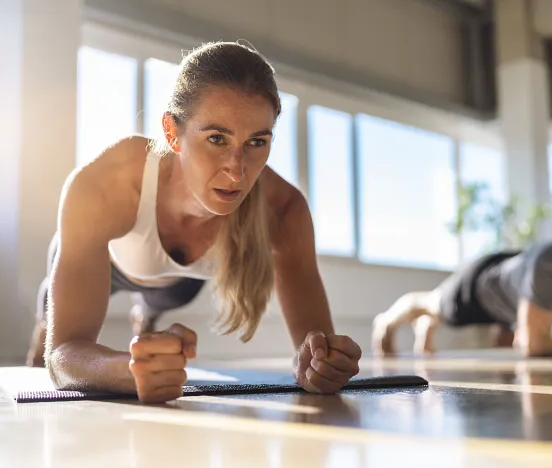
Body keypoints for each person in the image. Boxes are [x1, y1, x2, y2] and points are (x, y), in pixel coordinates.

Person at [26, 41, 362, 403]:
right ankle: (44, 327)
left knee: (164, 299)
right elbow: (64, 357)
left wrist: (320, 365)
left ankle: (148, 323)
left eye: (257, 141)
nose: (237, 170)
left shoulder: (285, 210)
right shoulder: (110, 183)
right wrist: (129, 370)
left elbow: (315, 351)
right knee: (50, 317)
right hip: (111, 263)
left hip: (178, 285)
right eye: (216, 138)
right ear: (172, 132)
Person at [371, 242, 552, 358]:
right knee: (428, 303)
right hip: (478, 285)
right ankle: (385, 321)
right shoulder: (546, 268)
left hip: (508, 282)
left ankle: (427, 323)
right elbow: (533, 345)